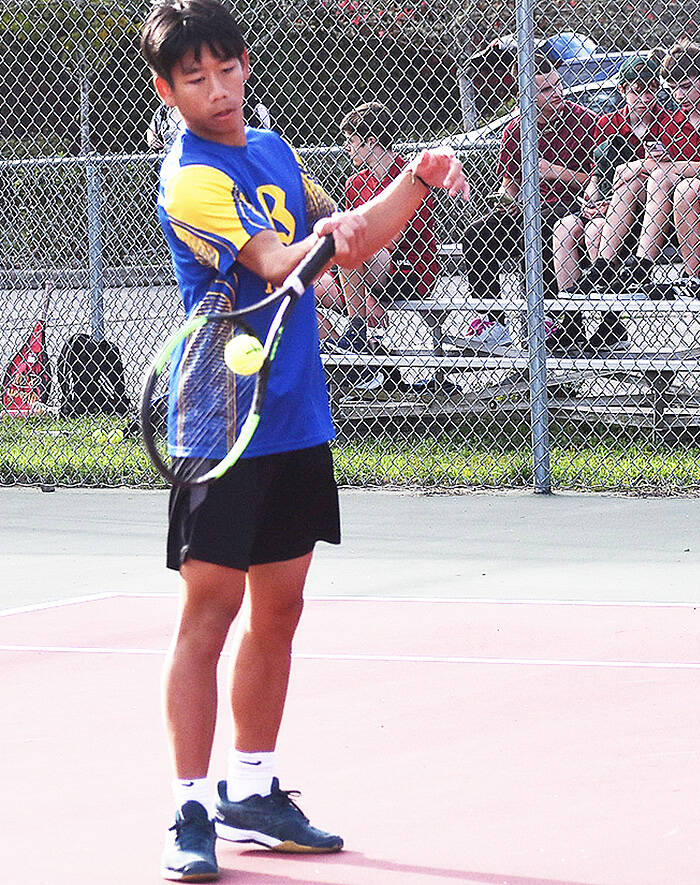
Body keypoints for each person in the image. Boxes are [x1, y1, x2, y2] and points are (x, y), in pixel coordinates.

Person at [140, 1, 469, 881]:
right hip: (220, 424)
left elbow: (349, 245)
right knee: (209, 616)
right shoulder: (190, 178)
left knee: (279, 611)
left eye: (226, 69)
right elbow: (281, 262)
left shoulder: (277, 155)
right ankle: (189, 805)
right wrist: (319, 240)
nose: (217, 90)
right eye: (194, 78)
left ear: (245, 64)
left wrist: (419, 181)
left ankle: (252, 787)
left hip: (294, 419)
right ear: (169, 90)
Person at [461, 53, 597, 355]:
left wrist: (551, 171)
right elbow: (510, 184)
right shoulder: (515, 130)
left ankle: (557, 323)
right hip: (528, 209)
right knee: (476, 234)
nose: (558, 94)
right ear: (527, 96)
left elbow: (594, 180)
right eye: (546, 90)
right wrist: (505, 202)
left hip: (571, 209)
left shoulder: (584, 120)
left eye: (558, 85)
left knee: (543, 230)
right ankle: (492, 322)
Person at [552, 53, 674, 351]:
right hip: (607, 202)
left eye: (651, 89)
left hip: (646, 211)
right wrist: (589, 202)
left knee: (595, 233)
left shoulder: (667, 120)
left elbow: (663, 171)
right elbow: (598, 173)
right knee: (565, 228)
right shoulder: (609, 122)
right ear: (624, 91)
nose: (645, 98)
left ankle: (611, 324)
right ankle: (571, 324)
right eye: (637, 90)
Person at [317, 102, 441, 357]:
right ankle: (352, 357)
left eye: (352, 141)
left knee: (348, 241)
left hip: (408, 268)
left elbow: (390, 238)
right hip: (362, 273)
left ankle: (357, 329)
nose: (348, 148)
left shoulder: (409, 176)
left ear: (370, 141)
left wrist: (360, 293)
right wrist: (363, 298)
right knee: (305, 284)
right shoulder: (355, 182)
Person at [627, 40, 700, 297]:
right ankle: (692, 276)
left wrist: (678, 167)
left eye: (686, 87)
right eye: (672, 88)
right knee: (685, 188)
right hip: (685, 197)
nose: (678, 95)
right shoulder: (674, 120)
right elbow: (666, 168)